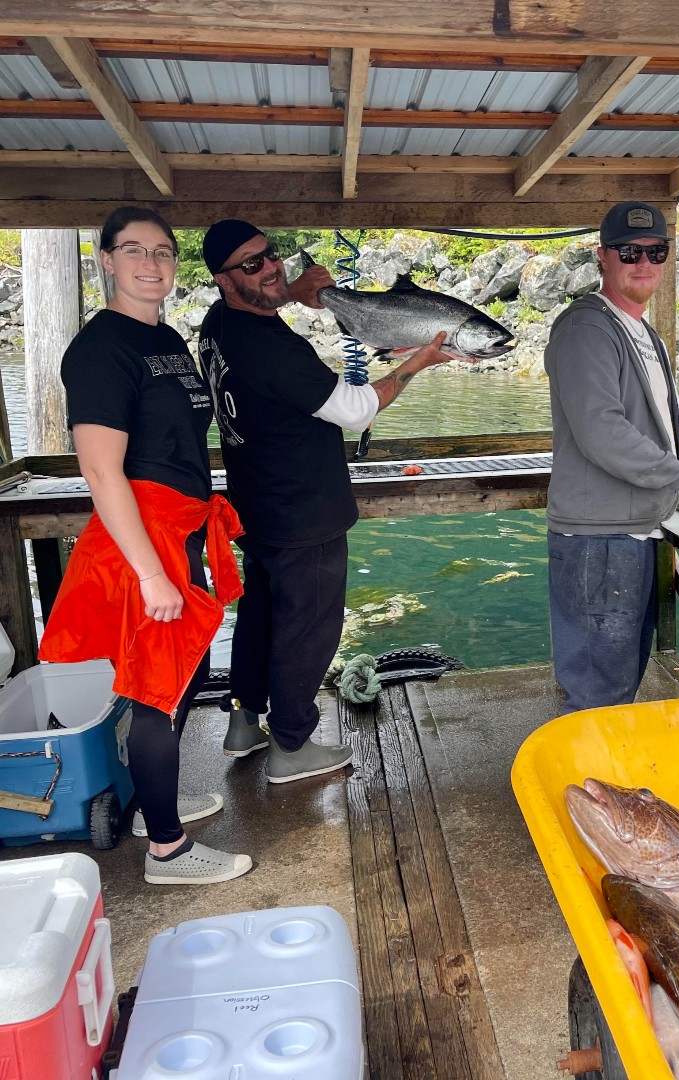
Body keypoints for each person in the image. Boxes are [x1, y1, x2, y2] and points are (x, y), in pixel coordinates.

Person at [197, 219, 463, 783]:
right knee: (308, 629)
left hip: (256, 507)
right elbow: (356, 409)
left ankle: (244, 722)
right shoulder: (273, 349)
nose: (269, 267)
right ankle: (291, 746)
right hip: (303, 515)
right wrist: (414, 363)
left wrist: (291, 294)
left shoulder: (218, 324)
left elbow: (258, 313)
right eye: (250, 265)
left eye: (269, 256)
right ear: (223, 279)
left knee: (261, 615)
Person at [38, 206, 251, 885]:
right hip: (145, 539)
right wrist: (151, 574)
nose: (151, 263)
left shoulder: (166, 338)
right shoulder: (102, 349)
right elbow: (101, 470)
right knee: (157, 694)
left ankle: (150, 807)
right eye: (134, 250)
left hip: (183, 526)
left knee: (181, 681)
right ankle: (167, 850)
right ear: (106, 259)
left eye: (163, 251)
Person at [544, 201, 679, 715]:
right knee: (598, 692)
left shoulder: (646, 335)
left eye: (656, 252)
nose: (644, 263)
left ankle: (596, 788)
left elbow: (649, 420)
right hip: (600, 540)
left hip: (635, 531)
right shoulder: (586, 329)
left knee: (620, 684)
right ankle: (579, 788)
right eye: (629, 251)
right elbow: (602, 431)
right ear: (603, 258)